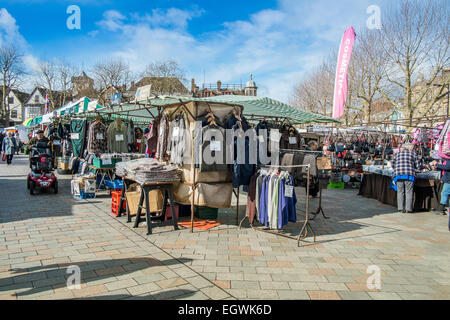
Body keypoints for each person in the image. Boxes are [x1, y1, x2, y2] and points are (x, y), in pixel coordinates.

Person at [392, 143, 422, 213]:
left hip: (398, 175)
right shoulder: (413, 154)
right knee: (409, 192)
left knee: (400, 192)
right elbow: (418, 166)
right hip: (409, 175)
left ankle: (400, 208)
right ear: (410, 148)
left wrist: (397, 169)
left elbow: (392, 163)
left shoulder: (397, 154)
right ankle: (408, 209)